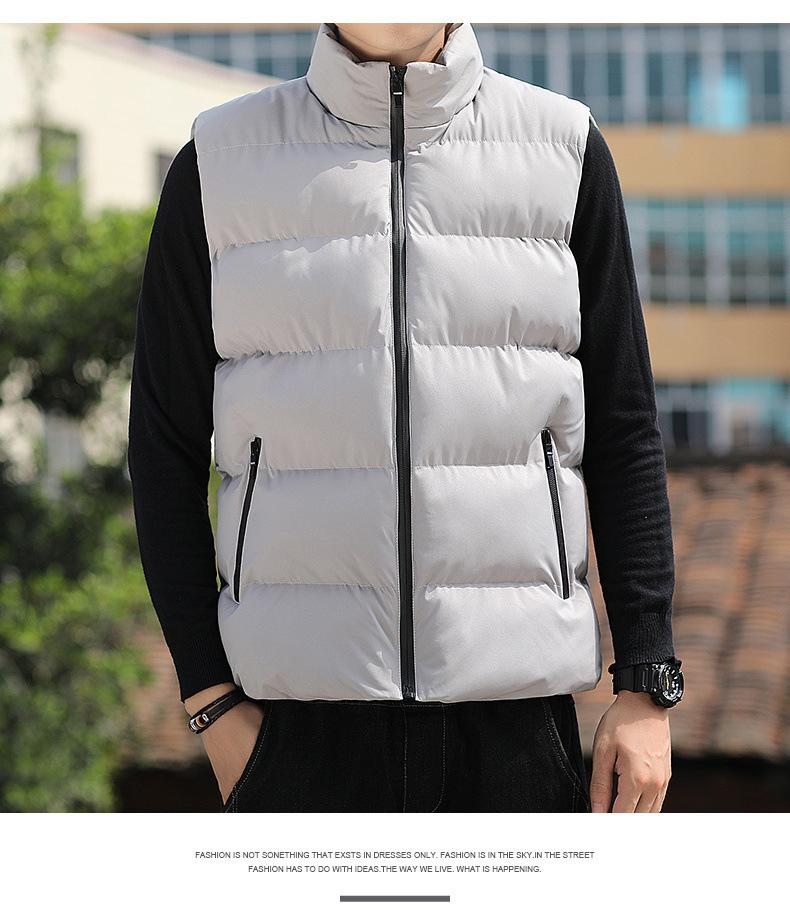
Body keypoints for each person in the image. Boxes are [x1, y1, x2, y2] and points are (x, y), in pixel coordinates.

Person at [127, 22, 683, 814]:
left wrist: (648, 680)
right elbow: (161, 447)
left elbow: (625, 429)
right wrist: (211, 701)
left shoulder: (564, 150)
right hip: (295, 735)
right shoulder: (219, 164)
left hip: (516, 731)